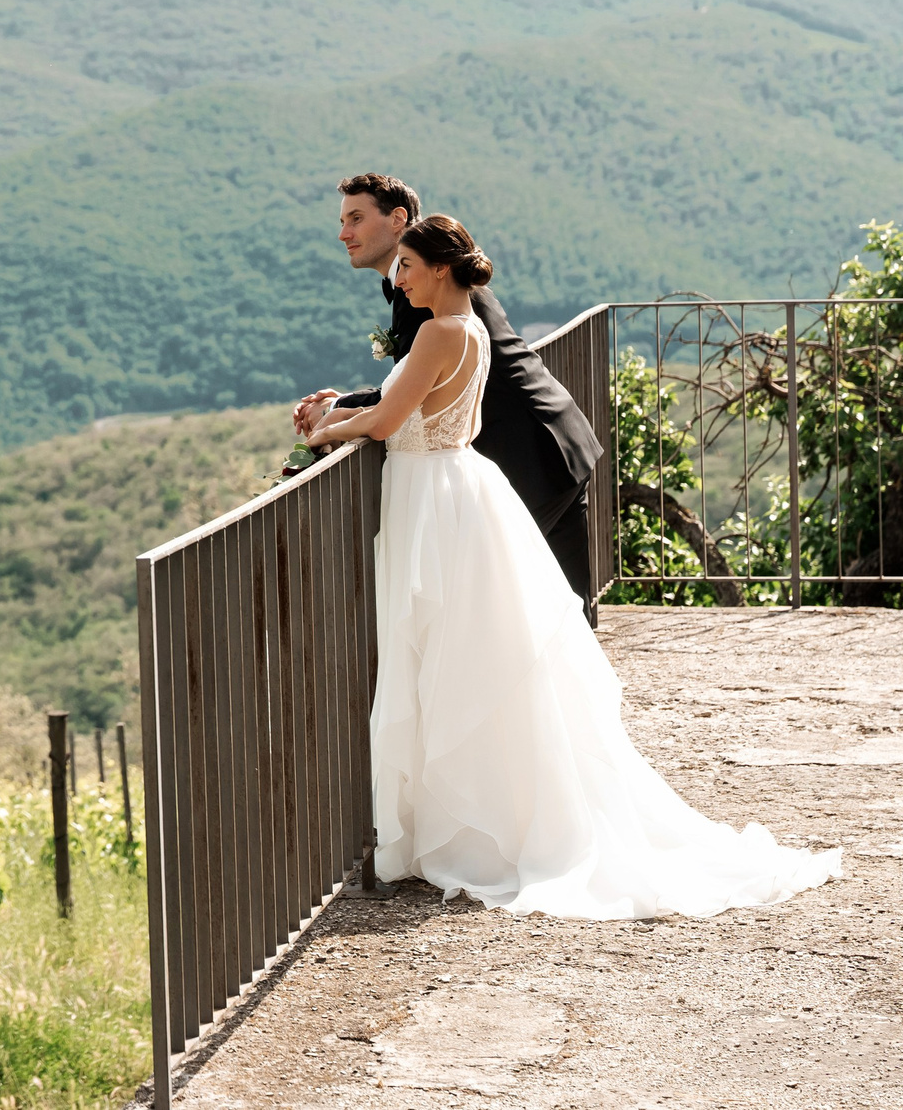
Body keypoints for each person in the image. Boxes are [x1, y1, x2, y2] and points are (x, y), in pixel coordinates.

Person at [300, 214, 839, 917]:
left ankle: (460, 825)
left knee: (439, 652)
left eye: (406, 266)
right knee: (464, 656)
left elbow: (388, 418)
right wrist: (344, 413)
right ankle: (468, 815)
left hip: (432, 495)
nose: (397, 280)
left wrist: (326, 425)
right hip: (457, 488)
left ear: (437, 267)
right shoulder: (468, 329)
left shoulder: (437, 332)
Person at [293, 173, 602, 614]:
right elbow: (420, 382)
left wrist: (334, 412)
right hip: (549, 441)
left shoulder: (432, 300)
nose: (344, 233)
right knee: (560, 610)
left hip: (528, 454)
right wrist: (343, 403)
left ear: (398, 219)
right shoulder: (431, 290)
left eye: (356, 219)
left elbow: (412, 393)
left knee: (527, 610)